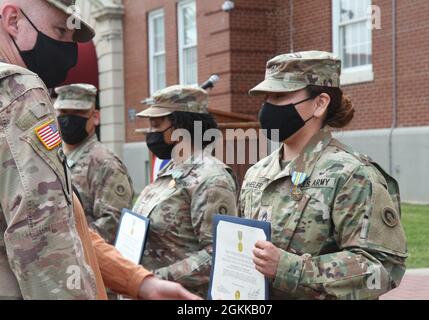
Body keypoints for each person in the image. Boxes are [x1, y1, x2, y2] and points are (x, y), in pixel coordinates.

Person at [0, 0, 200, 300]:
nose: (69, 52)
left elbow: (62, 225)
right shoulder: (18, 91)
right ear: (13, 20)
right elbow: (43, 237)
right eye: (59, 31)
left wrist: (138, 281)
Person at [239, 51, 408, 300]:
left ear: (320, 103)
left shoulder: (352, 174)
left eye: (280, 96)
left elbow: (382, 268)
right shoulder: (257, 172)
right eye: (266, 98)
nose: (267, 107)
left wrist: (288, 268)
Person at [134, 85, 238, 298]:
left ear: (182, 125)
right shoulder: (172, 168)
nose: (151, 132)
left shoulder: (211, 178)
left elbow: (218, 254)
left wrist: (154, 278)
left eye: (157, 124)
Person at [54, 83, 134, 244]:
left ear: (95, 117)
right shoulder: (54, 157)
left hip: (86, 261)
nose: (69, 119)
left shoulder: (106, 164)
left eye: (78, 113)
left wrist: (66, 243)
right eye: (63, 112)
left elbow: (113, 224)